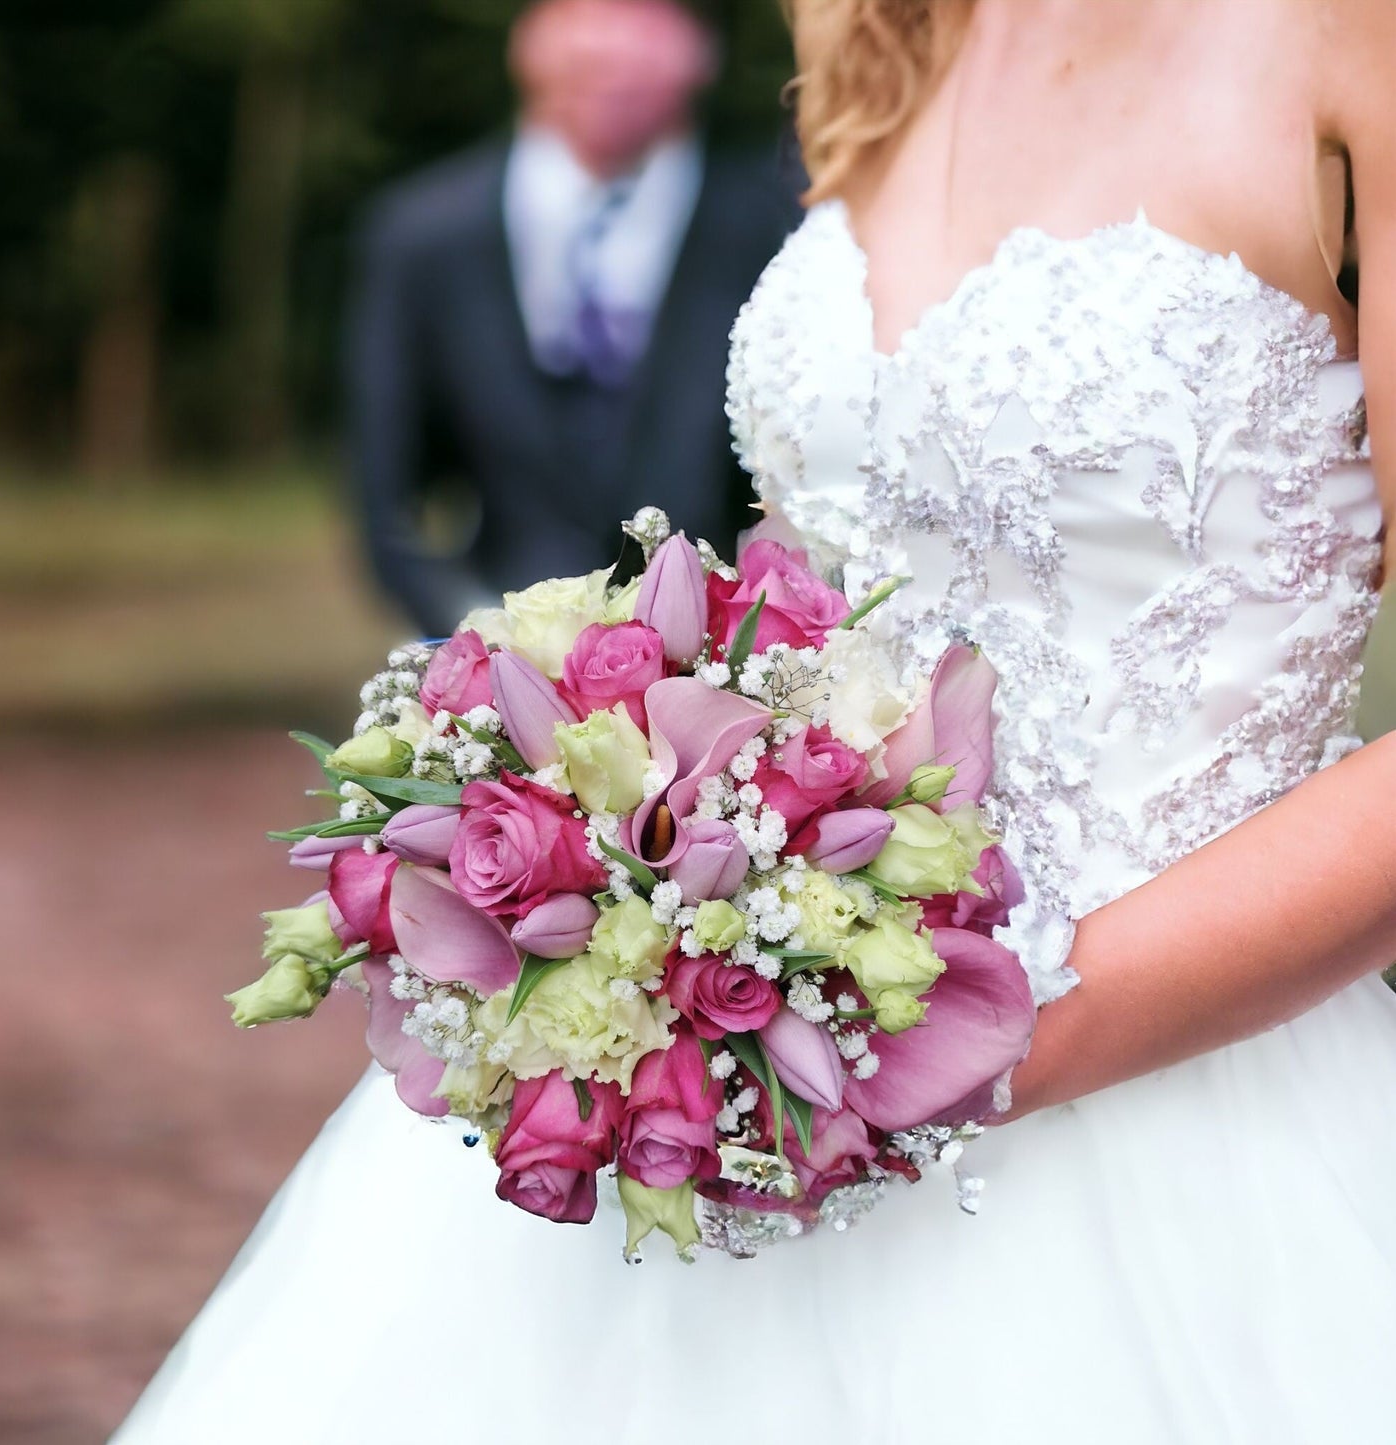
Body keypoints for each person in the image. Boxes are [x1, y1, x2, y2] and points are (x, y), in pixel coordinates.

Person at [113, 1, 1396, 1440]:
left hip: (1186, 1112)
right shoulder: (880, 32)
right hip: (739, 1057)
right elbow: (812, 572)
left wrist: (985, 1037)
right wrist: (609, 841)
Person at [348, 0, 797, 637]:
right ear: (527, 38)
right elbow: (386, 501)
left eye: (645, 16)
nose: (614, 47)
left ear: (702, 48)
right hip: (492, 673)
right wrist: (479, 646)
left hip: (732, 666)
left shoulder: (776, 230)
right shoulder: (423, 235)